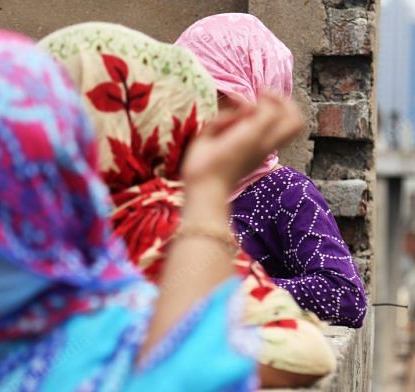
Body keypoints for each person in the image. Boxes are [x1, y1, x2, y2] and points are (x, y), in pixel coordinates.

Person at [0, 26, 302, 391]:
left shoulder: (276, 194)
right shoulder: (104, 310)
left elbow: (320, 323)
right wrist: (208, 197)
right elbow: (193, 367)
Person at [39, 22, 335, 387]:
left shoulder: (285, 192)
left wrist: (211, 283)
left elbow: (341, 295)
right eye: (190, 97)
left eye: (217, 97)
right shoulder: (156, 212)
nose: (200, 114)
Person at [176, 13, 368, 328]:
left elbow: (344, 296)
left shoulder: (287, 195)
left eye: (210, 94)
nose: (190, 110)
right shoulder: (169, 186)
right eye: (181, 92)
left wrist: (236, 294)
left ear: (251, 100)